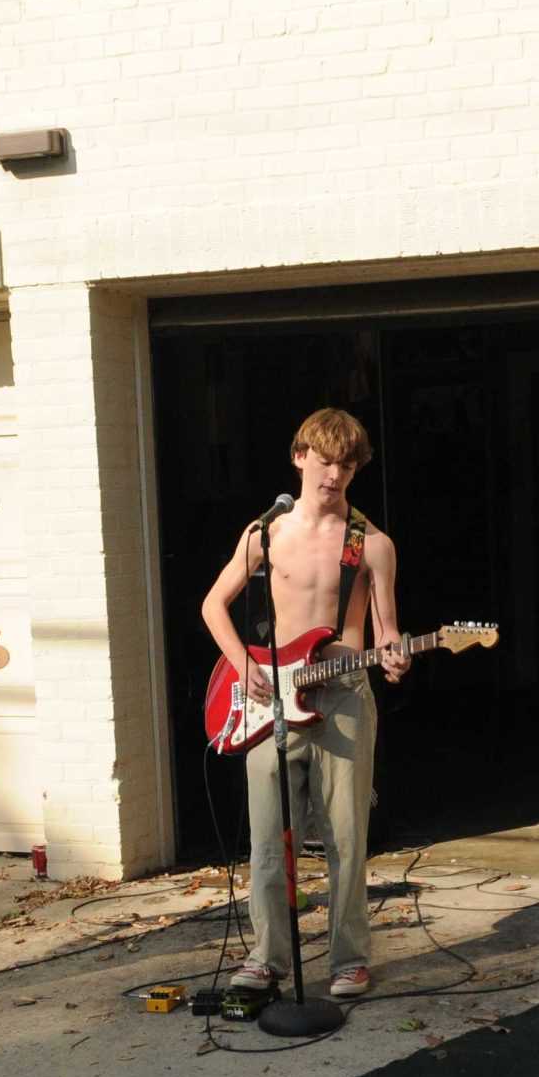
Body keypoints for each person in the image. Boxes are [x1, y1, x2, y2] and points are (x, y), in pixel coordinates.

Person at [200, 408, 407, 1000]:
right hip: (270, 695)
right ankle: (268, 957)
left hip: (341, 693)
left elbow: (387, 629)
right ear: (299, 457)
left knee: (345, 834)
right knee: (268, 837)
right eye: (323, 460)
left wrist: (394, 655)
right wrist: (245, 666)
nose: (333, 474)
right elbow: (214, 606)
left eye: (346, 464)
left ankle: (349, 959)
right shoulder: (263, 535)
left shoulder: (372, 546)